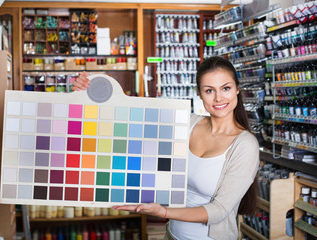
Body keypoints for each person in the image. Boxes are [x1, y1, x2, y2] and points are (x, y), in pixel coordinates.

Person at [71, 56, 260, 240]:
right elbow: (130, 119)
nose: (219, 98)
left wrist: (163, 211)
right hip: (171, 235)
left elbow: (219, 211)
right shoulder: (188, 123)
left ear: (237, 89)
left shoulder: (245, 145)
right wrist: (89, 90)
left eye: (225, 88)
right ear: (200, 93)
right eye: (209, 90)